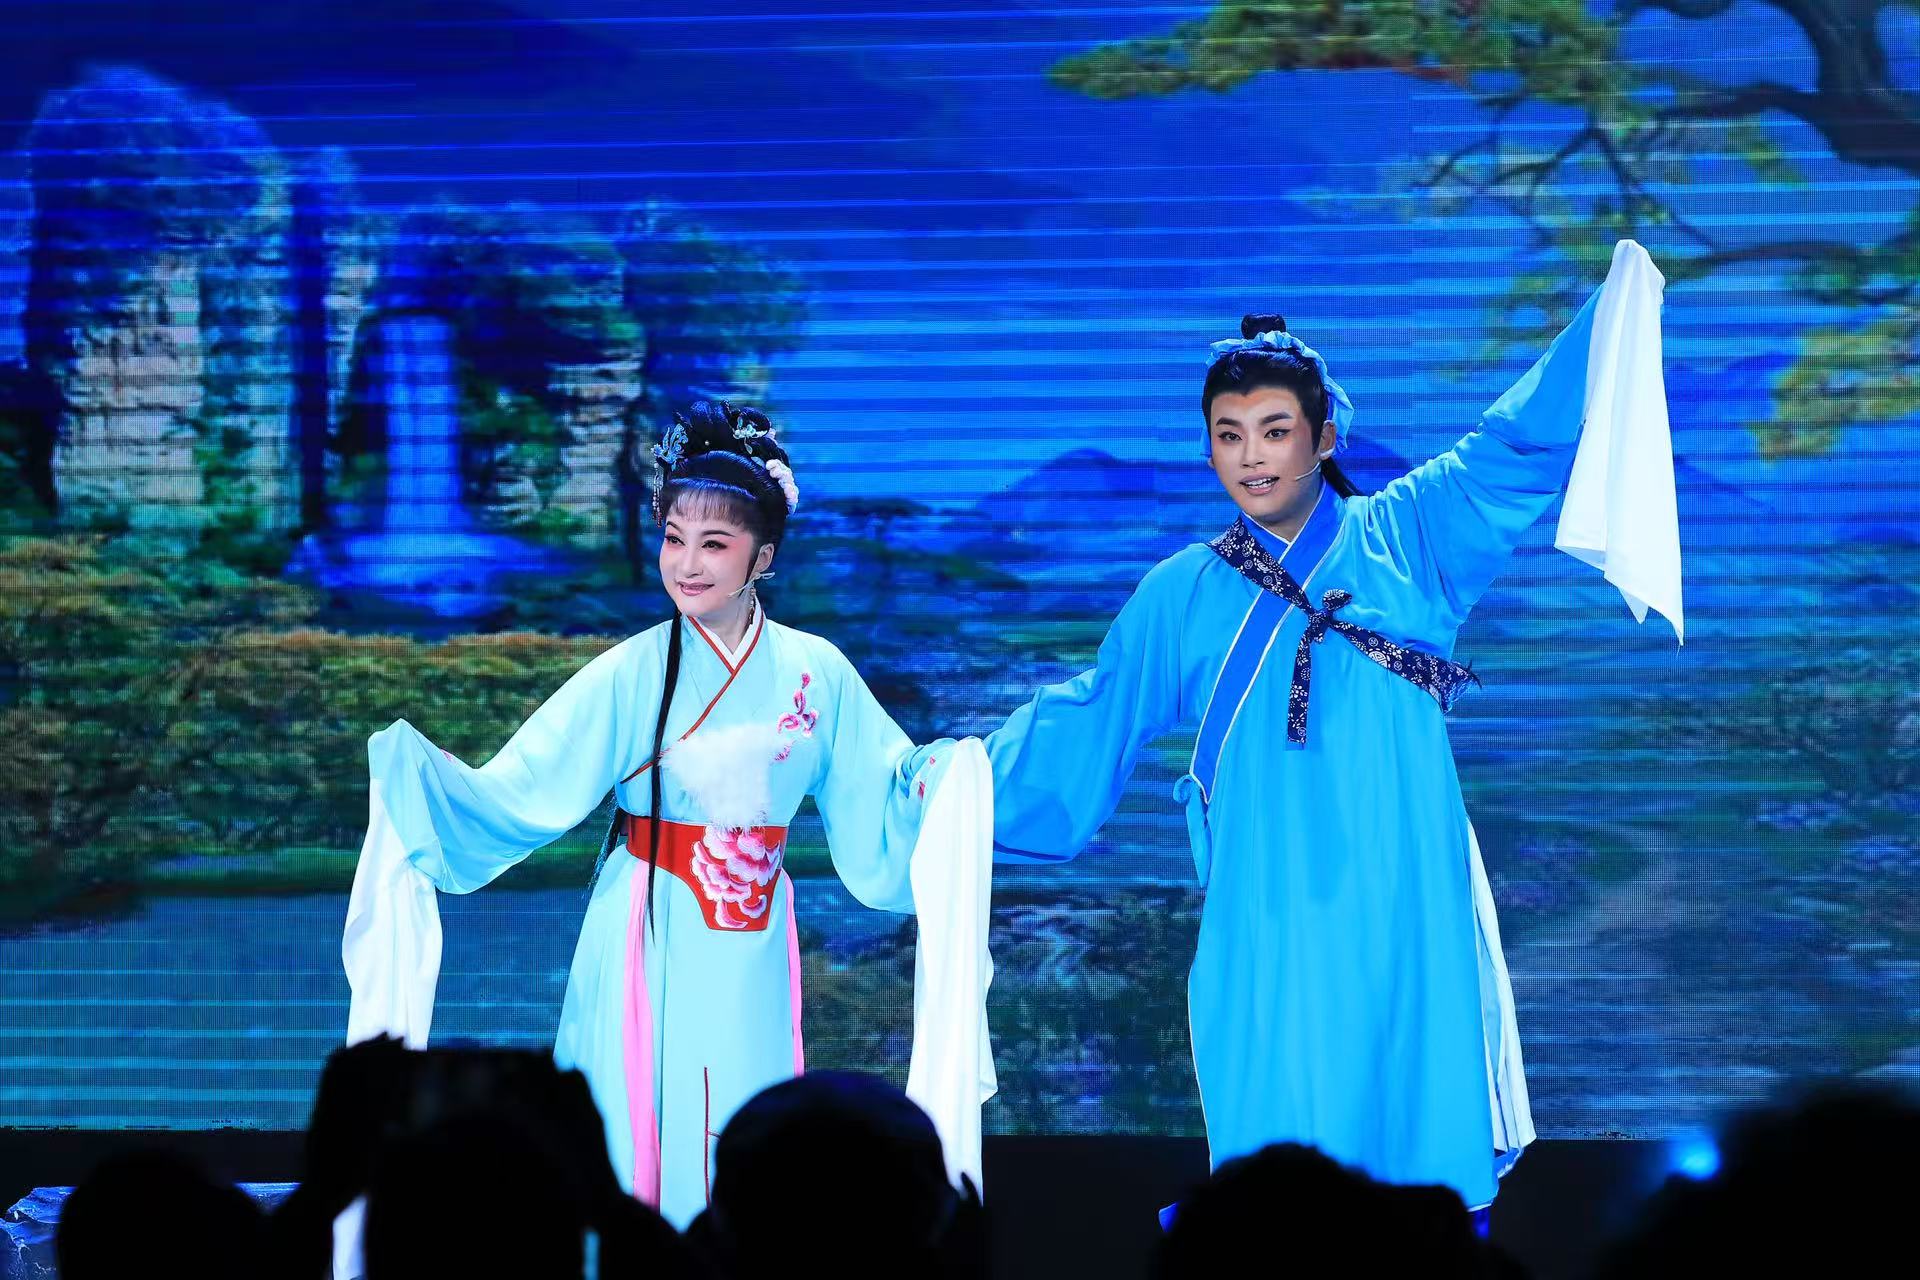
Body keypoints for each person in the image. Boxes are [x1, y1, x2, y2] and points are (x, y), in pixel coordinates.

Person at [966, 244, 1678, 1212]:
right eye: (1229, 435)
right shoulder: (1180, 591)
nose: (1252, 455)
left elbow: (1512, 445)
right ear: (1207, 450)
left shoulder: (1411, 536)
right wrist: (954, 784)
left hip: (1401, 887)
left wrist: (1607, 319)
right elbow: (1092, 717)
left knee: (1409, 1122)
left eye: (1275, 430)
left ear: (1324, 436)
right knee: (1277, 1130)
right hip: (1268, 904)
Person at [345, 400, 981, 1229]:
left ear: (763, 557)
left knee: (750, 1113)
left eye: (714, 544)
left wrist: (947, 778)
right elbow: (523, 786)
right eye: (674, 538)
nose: (687, 564)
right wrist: (422, 784)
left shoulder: (815, 671)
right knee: (632, 1119)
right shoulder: (632, 671)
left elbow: (884, 787)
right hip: (643, 923)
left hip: (752, 932)